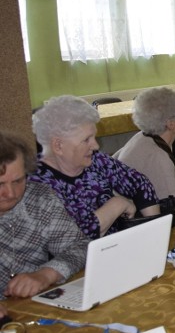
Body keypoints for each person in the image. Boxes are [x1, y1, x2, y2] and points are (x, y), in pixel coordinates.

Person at [30, 95, 160, 240]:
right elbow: (73, 238)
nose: (96, 146)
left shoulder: (96, 160)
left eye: (94, 137)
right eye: (86, 140)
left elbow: (140, 184)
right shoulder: (36, 184)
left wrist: (153, 233)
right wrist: (117, 204)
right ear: (58, 145)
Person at [1, 130, 89, 313]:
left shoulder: (39, 198)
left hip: (31, 310)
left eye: (18, 181)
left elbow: (79, 246)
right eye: (0, 184)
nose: (10, 193)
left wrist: (46, 274)